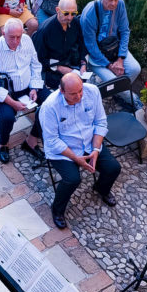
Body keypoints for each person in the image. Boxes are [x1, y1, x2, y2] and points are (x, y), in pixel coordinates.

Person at [39, 72, 121, 230]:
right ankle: (57, 210)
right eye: (73, 93)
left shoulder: (93, 91)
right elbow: (52, 141)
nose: (79, 96)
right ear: (62, 91)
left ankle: (100, 188)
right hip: (63, 150)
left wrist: (96, 149)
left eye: (80, 91)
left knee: (113, 168)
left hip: (90, 143)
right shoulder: (50, 106)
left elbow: (100, 122)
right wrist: (77, 159)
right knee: (72, 179)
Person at [0, 17, 48, 164]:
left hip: (28, 86)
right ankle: (3, 143)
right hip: (6, 92)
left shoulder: (26, 40)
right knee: (7, 117)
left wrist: (34, 87)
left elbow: (35, 65)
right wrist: (12, 103)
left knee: (49, 104)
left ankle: (32, 139)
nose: (16, 41)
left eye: (18, 36)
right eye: (11, 37)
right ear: (3, 34)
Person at [80, 0, 141, 107]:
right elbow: (91, 46)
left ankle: (118, 93)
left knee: (135, 69)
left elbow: (125, 31)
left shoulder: (120, 5)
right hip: (97, 56)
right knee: (114, 81)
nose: (113, 3)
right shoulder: (89, 14)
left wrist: (120, 58)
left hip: (114, 48)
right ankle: (135, 101)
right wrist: (109, 66)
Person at [33, 0, 86, 89]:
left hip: (71, 63)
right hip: (52, 69)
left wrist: (83, 64)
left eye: (73, 13)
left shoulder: (75, 22)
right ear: (57, 10)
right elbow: (38, 59)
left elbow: (82, 44)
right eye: (66, 13)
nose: (70, 17)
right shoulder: (45, 30)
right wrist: (59, 68)